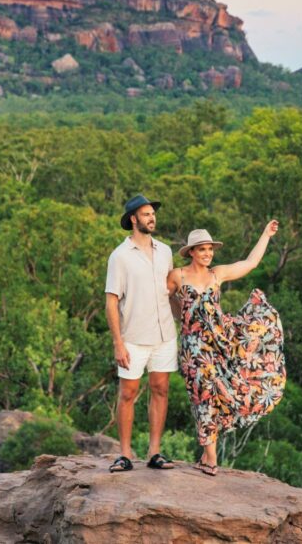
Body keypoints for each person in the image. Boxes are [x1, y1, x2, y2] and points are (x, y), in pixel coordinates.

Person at [168, 221, 286, 476]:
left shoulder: (216, 274)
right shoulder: (178, 275)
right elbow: (162, 297)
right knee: (202, 394)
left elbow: (250, 263)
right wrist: (181, 317)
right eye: (202, 250)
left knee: (220, 394)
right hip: (194, 347)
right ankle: (211, 456)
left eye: (210, 250)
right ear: (191, 252)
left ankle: (206, 455)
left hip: (222, 341)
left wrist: (266, 234)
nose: (207, 254)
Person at [104, 194, 177, 473]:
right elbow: (111, 300)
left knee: (161, 389)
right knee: (128, 393)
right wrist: (118, 343)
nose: (152, 218)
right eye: (146, 214)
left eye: (153, 214)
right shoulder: (120, 257)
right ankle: (124, 454)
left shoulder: (166, 251)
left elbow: (170, 293)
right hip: (132, 337)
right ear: (134, 219)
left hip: (164, 335)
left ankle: (155, 452)